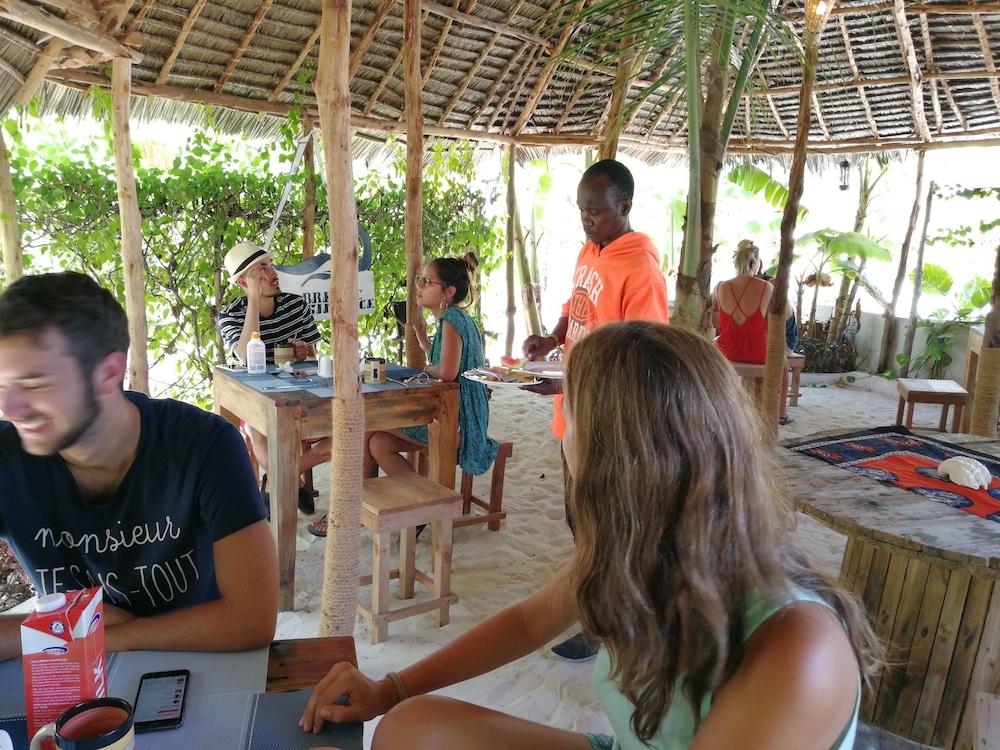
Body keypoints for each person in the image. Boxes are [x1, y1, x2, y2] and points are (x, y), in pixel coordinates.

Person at [299, 321, 881, 750]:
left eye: (570, 418)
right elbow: (528, 623)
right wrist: (392, 689)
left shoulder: (795, 646)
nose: (564, 437)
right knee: (411, 729)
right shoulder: (640, 552)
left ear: (612, 458)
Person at [0, 271, 278, 660]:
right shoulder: (6, 456)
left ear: (108, 373)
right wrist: (69, 626)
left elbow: (252, 620)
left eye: (34, 384)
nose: (10, 408)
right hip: (77, 675)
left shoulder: (204, 444)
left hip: (200, 662)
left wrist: (94, 634)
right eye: (2, 386)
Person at [521, 158, 670, 660]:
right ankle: (603, 607)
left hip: (606, 416)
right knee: (577, 516)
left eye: (595, 212)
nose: (586, 221)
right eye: (581, 211)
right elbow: (576, 305)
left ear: (624, 206)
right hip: (573, 409)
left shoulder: (641, 267)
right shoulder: (590, 249)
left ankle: (604, 619)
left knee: (600, 523)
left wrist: (571, 379)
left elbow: (642, 351)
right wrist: (552, 341)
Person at [307, 254, 499, 537]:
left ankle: (349, 508)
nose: (418, 286)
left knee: (367, 423)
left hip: (460, 424)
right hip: (462, 416)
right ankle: (421, 506)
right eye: (419, 280)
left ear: (448, 291)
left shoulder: (451, 318)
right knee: (379, 443)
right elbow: (448, 362)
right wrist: (424, 343)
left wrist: (426, 369)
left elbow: (446, 372)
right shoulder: (457, 319)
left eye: (427, 282)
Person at [218, 241, 328, 515]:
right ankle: (293, 482)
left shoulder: (296, 305)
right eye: (262, 269)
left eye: (271, 265)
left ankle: (276, 479)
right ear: (243, 282)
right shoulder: (230, 315)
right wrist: (253, 301)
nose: (273, 273)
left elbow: (312, 358)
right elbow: (245, 357)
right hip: (257, 400)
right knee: (261, 438)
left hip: (300, 393)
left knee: (347, 434)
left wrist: (303, 353)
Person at [711, 239, 794, 425]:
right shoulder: (766, 287)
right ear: (755, 264)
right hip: (757, 352)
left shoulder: (720, 287)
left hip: (727, 350)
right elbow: (786, 315)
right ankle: (781, 414)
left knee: (713, 344)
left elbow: (715, 322)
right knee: (782, 362)